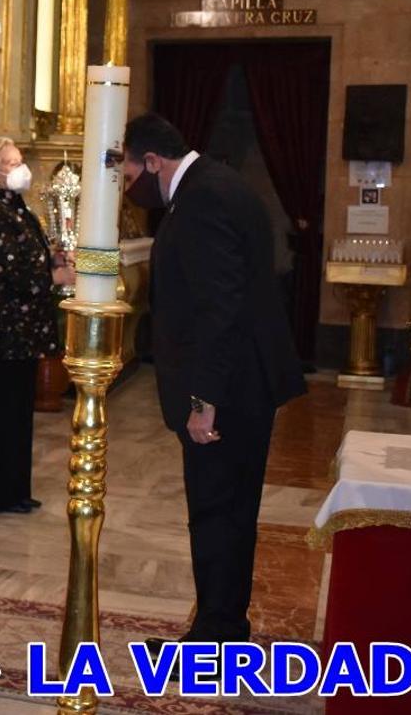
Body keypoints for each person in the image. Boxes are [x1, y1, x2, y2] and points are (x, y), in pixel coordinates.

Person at [121, 113, 306, 648]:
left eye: (131, 175)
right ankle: (222, 628)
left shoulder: (202, 199)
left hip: (228, 392)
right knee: (229, 511)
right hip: (243, 384)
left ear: (153, 161)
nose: (132, 189)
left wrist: (204, 399)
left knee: (216, 512)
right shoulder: (218, 185)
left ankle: (215, 639)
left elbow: (218, 310)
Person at [0, 137, 74, 514]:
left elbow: (32, 256)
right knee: (2, 410)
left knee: (19, 411)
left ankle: (17, 489)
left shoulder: (19, 208)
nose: (20, 169)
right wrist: (54, 278)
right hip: (7, 325)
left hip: (26, 325)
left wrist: (53, 259)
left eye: (19, 161)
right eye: (11, 164)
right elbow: (13, 271)